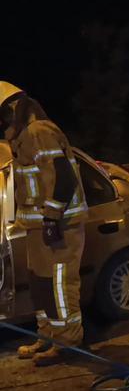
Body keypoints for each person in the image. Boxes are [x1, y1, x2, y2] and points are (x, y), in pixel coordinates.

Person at [0, 82, 88, 367]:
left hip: (61, 225)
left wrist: (52, 218)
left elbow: (63, 178)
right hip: (38, 227)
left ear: (11, 110)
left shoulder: (40, 132)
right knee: (40, 284)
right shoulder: (20, 139)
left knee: (60, 286)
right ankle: (47, 336)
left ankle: (68, 344)